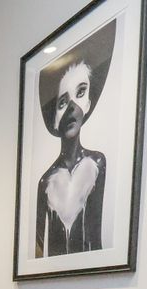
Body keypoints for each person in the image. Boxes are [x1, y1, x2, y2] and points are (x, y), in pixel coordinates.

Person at [35, 20, 116, 257]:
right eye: (62, 102)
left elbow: (96, 236)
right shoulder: (45, 182)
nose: (71, 108)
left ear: (89, 102)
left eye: (80, 92)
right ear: (54, 119)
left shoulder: (97, 163)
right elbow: (42, 249)